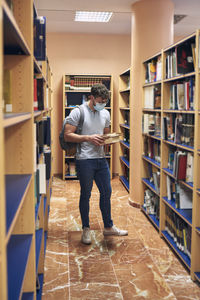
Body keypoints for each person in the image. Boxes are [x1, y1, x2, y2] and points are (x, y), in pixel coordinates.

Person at [64, 83, 128, 244]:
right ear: (91, 97)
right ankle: (86, 229)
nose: (102, 104)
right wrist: (88, 137)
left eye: (105, 102)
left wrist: (109, 140)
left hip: (101, 159)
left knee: (106, 192)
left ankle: (108, 227)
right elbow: (67, 135)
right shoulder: (78, 112)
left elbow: (105, 135)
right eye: (100, 101)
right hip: (84, 159)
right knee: (86, 194)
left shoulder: (105, 113)